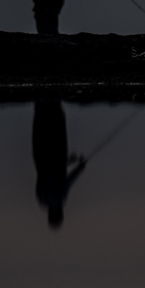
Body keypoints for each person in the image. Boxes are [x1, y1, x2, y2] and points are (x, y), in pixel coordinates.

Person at [31, 98, 88, 230]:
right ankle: (41, 102)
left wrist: (80, 167)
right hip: (40, 156)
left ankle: (53, 101)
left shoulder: (60, 198)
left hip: (56, 154)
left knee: (56, 125)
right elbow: (51, 174)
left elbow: (66, 179)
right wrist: (71, 162)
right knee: (41, 125)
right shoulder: (41, 199)